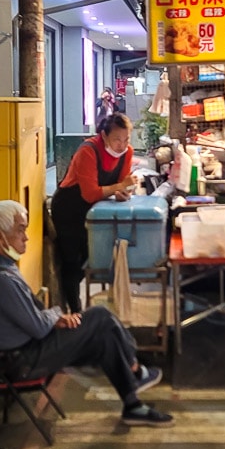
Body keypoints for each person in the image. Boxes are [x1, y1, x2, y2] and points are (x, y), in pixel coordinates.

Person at [0, 200, 173, 428]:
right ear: (0, 237)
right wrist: (57, 316)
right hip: (23, 361)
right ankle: (134, 371)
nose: (26, 237)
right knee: (101, 317)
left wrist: (55, 318)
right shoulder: (2, 280)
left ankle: (133, 402)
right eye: (20, 230)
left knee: (103, 336)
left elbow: (32, 318)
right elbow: (39, 326)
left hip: (24, 351)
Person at [50, 114, 140, 316]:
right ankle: (75, 312)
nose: (122, 145)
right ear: (104, 135)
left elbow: (120, 184)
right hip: (69, 208)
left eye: (126, 139)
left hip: (97, 209)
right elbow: (90, 192)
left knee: (93, 256)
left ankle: (98, 309)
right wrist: (120, 186)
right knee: (72, 262)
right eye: (117, 139)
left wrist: (123, 192)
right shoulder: (88, 151)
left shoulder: (127, 153)